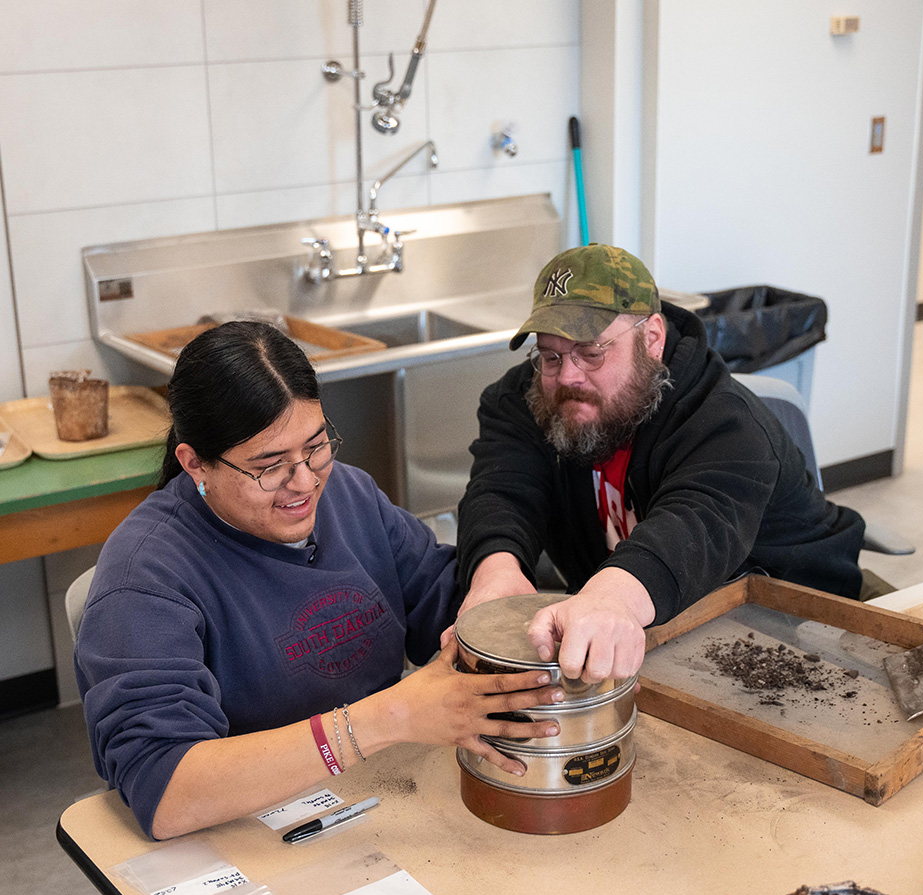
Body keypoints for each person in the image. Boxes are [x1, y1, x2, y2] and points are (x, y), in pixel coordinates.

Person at [75, 321, 563, 840]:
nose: (304, 483)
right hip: (249, 835)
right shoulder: (146, 578)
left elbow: (445, 603)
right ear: (195, 463)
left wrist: (517, 608)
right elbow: (167, 790)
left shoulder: (349, 496)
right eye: (268, 466)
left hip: (378, 801)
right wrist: (386, 718)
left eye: (315, 446)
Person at [456, 245, 865, 685]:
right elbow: (502, 489)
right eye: (551, 356)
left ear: (651, 339)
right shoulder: (527, 399)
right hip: (658, 627)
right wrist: (494, 574)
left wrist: (614, 597)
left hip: (795, 625)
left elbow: (695, 523)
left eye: (591, 352)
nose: (567, 376)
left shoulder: (726, 420)